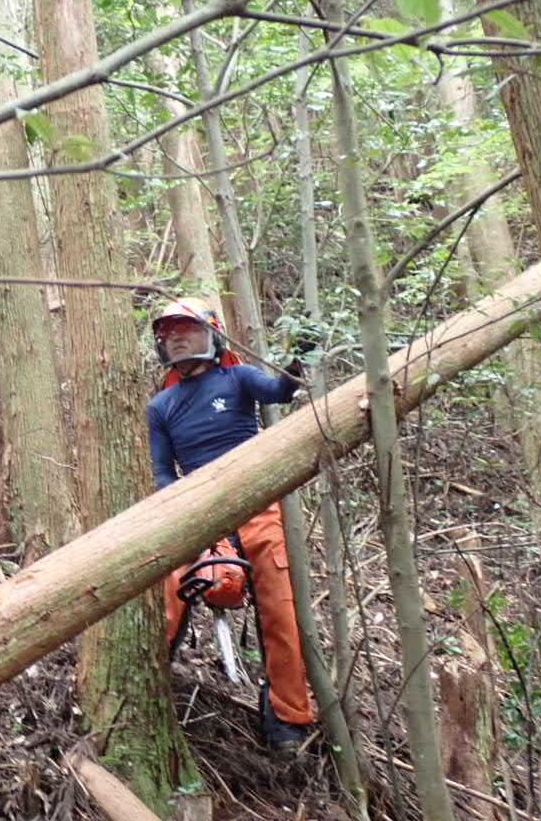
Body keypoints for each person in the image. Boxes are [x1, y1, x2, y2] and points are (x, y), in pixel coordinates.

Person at [146, 297, 313, 753]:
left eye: (186, 328)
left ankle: (288, 715)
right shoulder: (161, 405)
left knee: (279, 607)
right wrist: (180, 504)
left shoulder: (237, 378)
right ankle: (143, 697)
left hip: (257, 504)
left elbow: (280, 392)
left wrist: (302, 358)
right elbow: (163, 472)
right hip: (198, 512)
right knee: (172, 593)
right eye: (168, 332)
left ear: (212, 334)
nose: (176, 337)